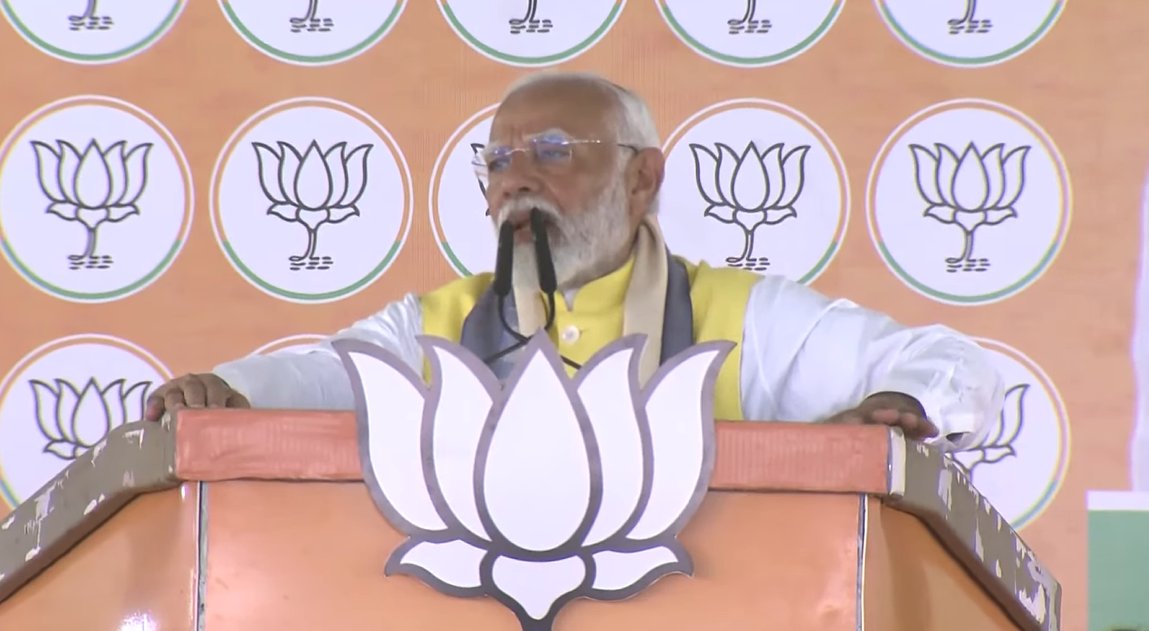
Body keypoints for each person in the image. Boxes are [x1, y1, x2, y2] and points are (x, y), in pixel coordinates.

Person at [143, 70, 1004, 452]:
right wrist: (228, 390)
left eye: (552, 151)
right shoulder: (438, 324)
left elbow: (952, 366)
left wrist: (904, 403)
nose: (514, 180)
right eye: (497, 161)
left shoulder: (747, 318)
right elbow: (324, 376)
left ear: (642, 178)